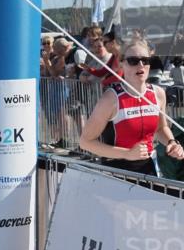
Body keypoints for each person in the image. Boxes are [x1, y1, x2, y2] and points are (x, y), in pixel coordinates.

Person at [79, 40, 184, 175]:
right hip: (116, 171)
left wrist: (172, 142)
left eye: (145, 60)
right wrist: (128, 153)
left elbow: (160, 128)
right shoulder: (111, 99)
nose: (140, 65)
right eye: (133, 61)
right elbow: (85, 142)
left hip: (149, 169)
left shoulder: (158, 93)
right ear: (122, 63)